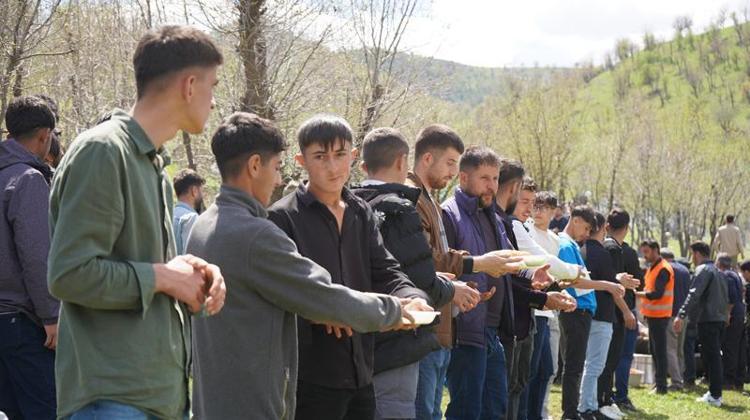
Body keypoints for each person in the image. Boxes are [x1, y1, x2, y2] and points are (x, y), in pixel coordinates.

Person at [188, 113, 427, 419]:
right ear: (255, 165)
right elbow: (321, 296)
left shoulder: (204, 224)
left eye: (340, 155)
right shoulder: (261, 231)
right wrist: (394, 311)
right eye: (277, 167)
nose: (278, 180)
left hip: (219, 399)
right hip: (261, 398)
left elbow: (379, 271)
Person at [47, 26, 227, 419]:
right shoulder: (103, 151)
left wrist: (193, 276)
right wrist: (162, 277)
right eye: (212, 86)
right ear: (189, 86)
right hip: (112, 400)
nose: (214, 102)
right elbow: (69, 274)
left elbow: (144, 270)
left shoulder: (155, 167)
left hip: (159, 397)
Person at [268, 115, 429, 420]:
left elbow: (386, 270)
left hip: (362, 369)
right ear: (302, 161)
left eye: (340, 154)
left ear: (353, 156)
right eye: (320, 157)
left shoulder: (360, 211)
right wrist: (326, 311)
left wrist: (411, 296)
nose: (332, 167)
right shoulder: (282, 218)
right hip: (310, 375)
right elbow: (285, 294)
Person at [352, 127, 481, 419]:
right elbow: (419, 279)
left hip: (357, 339)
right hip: (396, 340)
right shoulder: (399, 208)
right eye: (450, 163)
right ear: (403, 161)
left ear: (362, 165)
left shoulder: (349, 205)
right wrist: (452, 289)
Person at [406, 125, 520, 420]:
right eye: (485, 178)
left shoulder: (491, 216)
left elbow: (501, 261)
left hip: (482, 327)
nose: (492, 186)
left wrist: (533, 274)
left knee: (493, 408)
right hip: (456, 327)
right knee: (455, 410)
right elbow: (430, 262)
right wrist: (475, 270)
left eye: (495, 178)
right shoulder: (437, 208)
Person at [499, 172, 577, 420]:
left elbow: (530, 271)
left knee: (527, 379)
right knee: (512, 386)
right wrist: (573, 273)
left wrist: (552, 288)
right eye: (525, 202)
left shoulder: (531, 230)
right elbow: (528, 267)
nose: (530, 209)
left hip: (530, 315)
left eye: (533, 203)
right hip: (514, 319)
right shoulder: (510, 225)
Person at [0, 96, 58, 419]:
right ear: (44, 135)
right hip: (23, 323)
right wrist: (51, 315)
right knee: (45, 410)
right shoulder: (28, 179)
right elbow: (37, 255)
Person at [556, 205, 625, 420]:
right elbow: (574, 280)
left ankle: (575, 411)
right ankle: (571, 413)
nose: (587, 234)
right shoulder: (566, 244)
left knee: (577, 366)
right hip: (575, 310)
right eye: (586, 228)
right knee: (574, 366)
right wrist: (608, 285)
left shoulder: (574, 246)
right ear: (575, 220)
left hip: (582, 311)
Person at [527, 190, 579, 420]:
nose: (538, 212)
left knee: (547, 370)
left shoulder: (555, 239)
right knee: (532, 370)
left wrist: (564, 293)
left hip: (548, 311)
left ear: (553, 211)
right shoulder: (526, 230)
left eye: (544, 208)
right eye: (535, 206)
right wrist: (572, 272)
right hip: (532, 307)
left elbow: (553, 278)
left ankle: (538, 414)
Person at [578, 212, 634, 420]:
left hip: (586, 312)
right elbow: (611, 286)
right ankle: (588, 407)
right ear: (602, 228)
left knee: (588, 365)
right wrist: (625, 307)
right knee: (595, 365)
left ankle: (589, 405)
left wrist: (617, 279)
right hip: (601, 315)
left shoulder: (582, 249)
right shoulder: (601, 253)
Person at [673, 242, 730, 407]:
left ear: (697, 253)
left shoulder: (703, 270)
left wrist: (681, 314)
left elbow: (694, 294)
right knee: (714, 357)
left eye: (692, 254)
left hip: (708, 320)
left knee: (712, 357)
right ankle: (714, 392)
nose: (692, 258)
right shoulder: (719, 272)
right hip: (719, 319)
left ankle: (715, 395)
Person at [598, 209, 640, 418]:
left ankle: (607, 399)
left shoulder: (611, 246)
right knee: (609, 360)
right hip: (613, 313)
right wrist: (626, 311)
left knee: (611, 359)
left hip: (612, 312)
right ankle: (603, 400)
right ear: (627, 228)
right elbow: (613, 285)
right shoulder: (613, 248)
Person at [636, 240, 675, 395]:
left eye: (646, 252)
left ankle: (661, 386)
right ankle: (658, 384)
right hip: (653, 315)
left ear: (655, 250)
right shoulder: (653, 267)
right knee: (654, 350)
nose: (644, 255)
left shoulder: (663, 268)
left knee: (659, 351)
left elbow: (657, 293)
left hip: (660, 316)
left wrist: (638, 294)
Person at [613, 236, 644, 411]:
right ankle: (621, 396)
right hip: (626, 310)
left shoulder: (601, 248)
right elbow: (640, 283)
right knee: (624, 356)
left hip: (606, 310)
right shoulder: (628, 252)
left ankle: (604, 394)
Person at [661, 248, 690, 391]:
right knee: (679, 349)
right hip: (683, 315)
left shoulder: (666, 269)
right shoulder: (684, 270)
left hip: (670, 313)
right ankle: (681, 377)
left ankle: (676, 381)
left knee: (670, 349)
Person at [717, 253, 746, 390]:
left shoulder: (726, 275)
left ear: (719, 263)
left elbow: (731, 297)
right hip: (740, 313)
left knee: (730, 348)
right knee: (739, 348)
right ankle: (739, 380)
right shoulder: (735, 274)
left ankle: (729, 380)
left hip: (733, 315)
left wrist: (727, 314)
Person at [172, 168, 206, 254]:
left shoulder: (168, 216)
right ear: (194, 191)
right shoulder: (192, 218)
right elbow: (191, 257)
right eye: (201, 191)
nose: (203, 195)